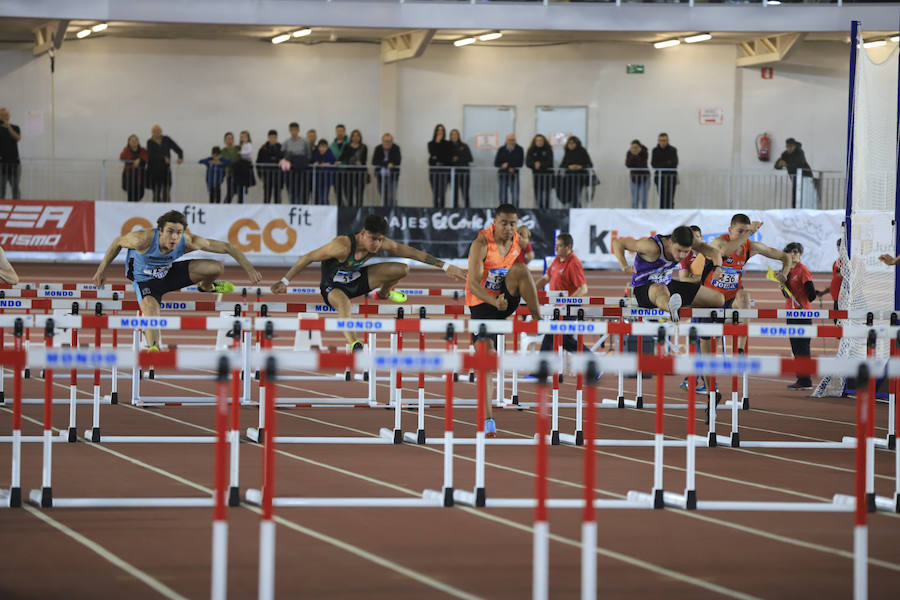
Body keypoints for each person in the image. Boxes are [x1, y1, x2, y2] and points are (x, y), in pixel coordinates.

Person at [271, 214, 466, 351]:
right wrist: (285, 281)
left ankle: (383, 293)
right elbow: (308, 257)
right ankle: (354, 344)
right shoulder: (342, 245)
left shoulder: (380, 242)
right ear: (363, 233)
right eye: (374, 239)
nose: (377, 245)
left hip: (358, 280)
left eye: (380, 240)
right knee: (344, 303)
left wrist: (446, 267)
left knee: (402, 269)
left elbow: (414, 253)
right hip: (333, 287)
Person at [92, 210, 262, 352]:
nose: (174, 237)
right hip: (145, 281)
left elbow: (228, 247)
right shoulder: (141, 239)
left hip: (168, 274)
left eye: (179, 232)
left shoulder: (187, 242)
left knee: (216, 268)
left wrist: (250, 270)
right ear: (160, 230)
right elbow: (117, 243)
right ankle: (154, 348)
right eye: (170, 231)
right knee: (151, 310)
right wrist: (101, 271)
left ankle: (205, 287)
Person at [466, 204, 543, 436]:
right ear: (494, 222)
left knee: (520, 270)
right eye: (504, 223)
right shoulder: (481, 245)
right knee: (486, 360)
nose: (509, 228)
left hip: (505, 301)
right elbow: (472, 285)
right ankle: (488, 419)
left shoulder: (518, 239)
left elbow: (524, 262)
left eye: (513, 224)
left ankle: (539, 322)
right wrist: (493, 302)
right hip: (482, 307)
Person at [611, 226, 724, 320]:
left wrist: (717, 267)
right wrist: (624, 265)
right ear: (670, 242)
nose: (682, 256)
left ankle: (675, 305)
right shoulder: (652, 247)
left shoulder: (692, 242)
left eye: (686, 252)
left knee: (718, 299)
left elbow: (714, 252)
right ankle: (671, 308)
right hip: (643, 288)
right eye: (679, 250)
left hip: (667, 284)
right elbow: (618, 243)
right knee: (660, 289)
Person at [536, 233, 593, 356]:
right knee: (562, 338)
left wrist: (566, 304)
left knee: (553, 334)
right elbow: (546, 278)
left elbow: (583, 288)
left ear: (568, 247)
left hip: (569, 308)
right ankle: (593, 363)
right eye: (556, 245)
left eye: (559, 246)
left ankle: (540, 371)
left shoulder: (574, 263)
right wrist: (531, 290)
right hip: (558, 308)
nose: (556, 248)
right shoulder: (557, 259)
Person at [782, 242, 817, 390]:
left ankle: (805, 380)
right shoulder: (786, 271)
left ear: (800, 254)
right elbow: (786, 295)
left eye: (795, 252)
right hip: (791, 312)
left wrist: (803, 296)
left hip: (802, 313)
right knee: (795, 347)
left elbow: (812, 295)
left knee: (802, 347)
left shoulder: (802, 270)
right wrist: (782, 285)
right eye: (789, 252)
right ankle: (801, 377)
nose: (792, 255)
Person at [146, 125, 183, 203]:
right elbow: (151, 155)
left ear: (161, 132)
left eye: (158, 131)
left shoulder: (166, 139)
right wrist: (163, 158)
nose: (157, 133)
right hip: (154, 172)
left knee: (166, 194)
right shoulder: (149, 142)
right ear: (152, 133)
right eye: (155, 131)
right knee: (156, 194)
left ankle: (167, 214)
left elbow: (178, 149)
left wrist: (180, 157)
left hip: (166, 171)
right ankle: (156, 213)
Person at [774, 137, 813, 208]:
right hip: (795, 177)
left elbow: (800, 164)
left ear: (794, 146)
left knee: (805, 195)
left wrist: (787, 165)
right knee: (795, 194)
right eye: (787, 146)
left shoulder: (800, 152)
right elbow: (776, 166)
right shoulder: (785, 154)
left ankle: (804, 209)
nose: (789, 148)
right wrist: (779, 164)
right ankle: (795, 209)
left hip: (805, 176)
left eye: (791, 146)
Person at [558, 136, 593, 208]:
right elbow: (562, 165)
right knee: (569, 197)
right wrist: (569, 167)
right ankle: (574, 209)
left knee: (575, 196)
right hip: (568, 178)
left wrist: (580, 167)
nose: (571, 145)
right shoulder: (567, 152)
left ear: (577, 144)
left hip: (579, 178)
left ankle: (577, 210)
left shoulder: (582, 151)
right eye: (569, 143)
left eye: (573, 143)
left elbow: (589, 164)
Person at [338, 129, 368, 207]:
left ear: (360, 137)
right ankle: (350, 208)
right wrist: (338, 161)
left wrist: (361, 164)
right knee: (348, 192)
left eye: (357, 135)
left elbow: (364, 160)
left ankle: (359, 208)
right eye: (354, 136)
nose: (355, 137)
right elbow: (342, 156)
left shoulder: (364, 147)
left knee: (359, 193)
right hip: (349, 173)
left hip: (360, 173)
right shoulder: (347, 146)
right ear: (351, 137)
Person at [282, 122, 310, 204]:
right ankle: (292, 204)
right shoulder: (286, 142)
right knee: (291, 191)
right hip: (290, 171)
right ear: (289, 131)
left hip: (302, 170)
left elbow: (308, 155)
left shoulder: (305, 141)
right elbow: (282, 155)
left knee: (302, 190)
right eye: (291, 130)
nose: (293, 132)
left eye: (295, 130)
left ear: (298, 130)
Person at [494, 134, 524, 206]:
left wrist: (510, 166)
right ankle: (503, 211)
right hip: (503, 175)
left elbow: (520, 163)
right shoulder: (501, 149)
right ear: (506, 140)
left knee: (515, 196)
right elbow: (496, 163)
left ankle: (515, 212)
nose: (511, 142)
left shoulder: (519, 149)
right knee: (503, 195)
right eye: (510, 140)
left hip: (514, 175)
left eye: (513, 140)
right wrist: (503, 165)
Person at [372, 133, 401, 207]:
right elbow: (374, 161)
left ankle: (393, 211)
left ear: (392, 141)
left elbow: (397, 161)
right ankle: (385, 210)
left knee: (392, 196)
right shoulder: (378, 148)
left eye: (389, 141)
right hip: (380, 177)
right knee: (383, 195)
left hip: (393, 177)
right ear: (382, 141)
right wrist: (387, 164)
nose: (387, 143)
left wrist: (387, 163)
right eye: (385, 141)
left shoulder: (396, 148)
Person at [526, 134, 554, 210]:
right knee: (538, 197)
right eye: (537, 140)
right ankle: (540, 211)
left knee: (547, 197)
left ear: (544, 141)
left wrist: (540, 165)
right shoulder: (531, 150)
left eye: (541, 140)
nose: (539, 142)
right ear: (534, 141)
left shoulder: (548, 149)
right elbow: (528, 162)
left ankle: (547, 211)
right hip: (536, 177)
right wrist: (534, 164)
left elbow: (550, 162)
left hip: (547, 177)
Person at [651, 133, 678, 209]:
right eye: (661, 140)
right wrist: (667, 163)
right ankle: (662, 216)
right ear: (658, 141)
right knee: (661, 199)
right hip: (659, 179)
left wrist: (661, 165)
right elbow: (653, 164)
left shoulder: (673, 150)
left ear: (668, 141)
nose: (663, 142)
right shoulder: (655, 150)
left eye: (664, 140)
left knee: (670, 199)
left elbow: (674, 163)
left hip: (671, 179)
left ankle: (670, 216)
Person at [428, 124, 452, 209]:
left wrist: (437, 156)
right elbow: (432, 154)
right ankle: (435, 208)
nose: (440, 132)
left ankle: (442, 209)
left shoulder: (447, 143)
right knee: (435, 192)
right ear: (436, 131)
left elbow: (446, 157)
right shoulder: (431, 143)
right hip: (434, 171)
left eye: (442, 130)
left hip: (444, 170)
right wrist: (437, 143)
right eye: (438, 130)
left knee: (442, 192)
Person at [256, 129, 283, 204]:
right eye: (271, 137)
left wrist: (284, 176)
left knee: (277, 196)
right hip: (267, 175)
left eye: (274, 137)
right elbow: (258, 162)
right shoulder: (263, 149)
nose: (273, 139)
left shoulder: (281, 148)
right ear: (268, 138)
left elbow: (284, 160)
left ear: (276, 138)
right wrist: (260, 175)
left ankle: (277, 213)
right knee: (267, 196)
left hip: (278, 175)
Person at [448, 128, 473, 209]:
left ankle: (468, 208)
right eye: (452, 134)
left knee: (465, 192)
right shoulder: (447, 146)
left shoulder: (464, 146)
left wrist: (458, 159)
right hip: (453, 174)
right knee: (454, 193)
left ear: (458, 136)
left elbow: (470, 158)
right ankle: (455, 209)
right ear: (450, 136)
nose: (454, 136)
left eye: (456, 134)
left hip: (464, 173)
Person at [120, 134, 149, 203]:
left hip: (140, 178)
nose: (134, 142)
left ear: (138, 141)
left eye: (136, 140)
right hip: (129, 177)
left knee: (140, 194)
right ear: (129, 142)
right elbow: (122, 158)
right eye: (132, 140)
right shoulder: (126, 150)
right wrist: (134, 159)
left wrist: (140, 159)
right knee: (130, 196)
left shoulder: (142, 150)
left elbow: (146, 157)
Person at [0, 107, 22, 199]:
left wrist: (9, 127)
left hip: (14, 163)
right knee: (1, 188)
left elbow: (18, 138)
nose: (6, 117)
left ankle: (17, 205)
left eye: (7, 115)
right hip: (1, 163)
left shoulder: (15, 127)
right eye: (3, 115)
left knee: (15, 187)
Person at [230, 130, 255, 204]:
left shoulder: (249, 145)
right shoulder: (241, 146)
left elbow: (248, 152)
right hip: (241, 165)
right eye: (242, 137)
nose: (243, 138)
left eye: (244, 137)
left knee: (243, 186)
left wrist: (241, 152)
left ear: (248, 138)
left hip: (245, 165)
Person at [625, 139, 650, 209]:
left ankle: (644, 214)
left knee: (644, 199)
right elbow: (628, 164)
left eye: (636, 147)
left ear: (640, 147)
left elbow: (642, 164)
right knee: (635, 199)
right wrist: (633, 155)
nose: (634, 149)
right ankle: (634, 214)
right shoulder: (629, 153)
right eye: (633, 147)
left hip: (644, 178)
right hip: (634, 178)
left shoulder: (644, 152)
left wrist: (636, 155)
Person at [311, 139, 336, 205]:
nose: (322, 149)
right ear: (318, 147)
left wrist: (329, 164)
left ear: (327, 147)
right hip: (318, 180)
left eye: (324, 147)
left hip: (326, 180)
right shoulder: (316, 154)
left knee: (325, 198)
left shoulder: (329, 154)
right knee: (319, 198)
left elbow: (334, 162)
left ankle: (327, 212)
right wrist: (316, 163)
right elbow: (313, 161)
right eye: (321, 147)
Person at [330, 124, 350, 205]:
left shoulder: (349, 143)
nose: (340, 133)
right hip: (336, 172)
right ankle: (341, 207)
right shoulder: (332, 145)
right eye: (338, 131)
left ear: (345, 132)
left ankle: (350, 208)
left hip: (347, 172)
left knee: (347, 191)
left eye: (341, 131)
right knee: (337, 191)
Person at [219, 132, 241, 204]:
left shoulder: (238, 148)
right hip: (230, 174)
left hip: (239, 174)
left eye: (231, 138)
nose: (230, 140)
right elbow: (223, 160)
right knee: (230, 192)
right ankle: (225, 206)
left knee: (240, 192)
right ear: (225, 140)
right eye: (228, 138)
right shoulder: (223, 151)